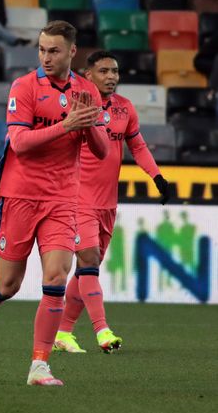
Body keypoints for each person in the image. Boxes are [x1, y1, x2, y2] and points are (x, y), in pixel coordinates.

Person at [0, 20, 109, 386]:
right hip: (20, 195)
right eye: (41, 49)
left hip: (62, 198)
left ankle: (39, 365)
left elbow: (102, 150)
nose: (46, 57)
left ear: (72, 52)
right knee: (8, 285)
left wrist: (85, 123)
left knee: (56, 276)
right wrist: (67, 125)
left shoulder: (87, 90)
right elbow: (20, 143)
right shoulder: (24, 87)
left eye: (54, 50)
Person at [54, 51, 169, 354]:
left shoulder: (124, 109)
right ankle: (101, 330)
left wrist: (157, 177)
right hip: (79, 200)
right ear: (88, 75)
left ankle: (63, 333)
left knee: (85, 272)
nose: (111, 77)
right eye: (104, 71)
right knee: (89, 261)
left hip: (108, 204)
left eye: (115, 71)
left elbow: (138, 146)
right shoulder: (77, 107)